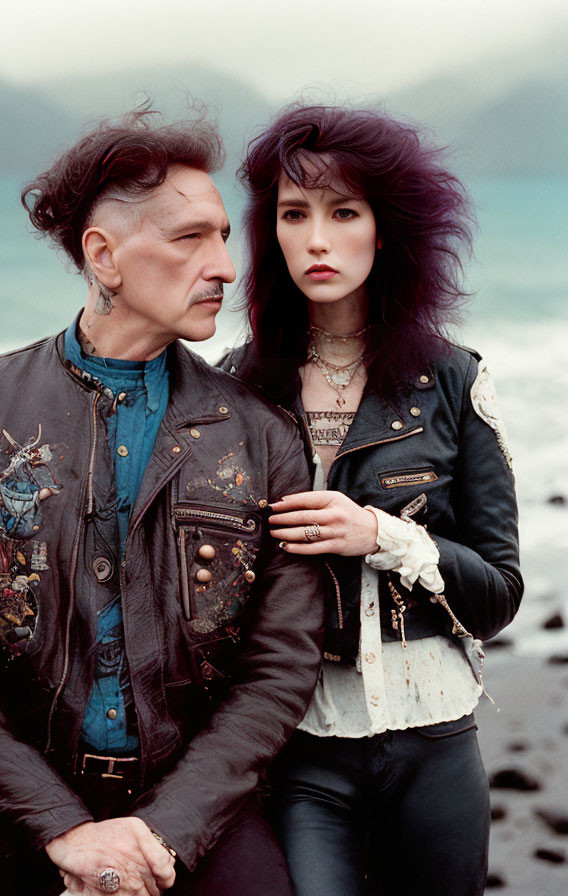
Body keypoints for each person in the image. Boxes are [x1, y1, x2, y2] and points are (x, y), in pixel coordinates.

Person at [0, 109, 324, 896]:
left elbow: (278, 668)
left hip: (191, 800)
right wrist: (65, 828)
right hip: (10, 789)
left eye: (223, 236)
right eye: (189, 239)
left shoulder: (262, 437)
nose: (224, 265)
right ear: (104, 257)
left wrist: (160, 832)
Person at [219, 104, 523, 896]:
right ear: (271, 232)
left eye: (344, 212)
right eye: (294, 214)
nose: (317, 238)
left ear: (383, 231)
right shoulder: (236, 387)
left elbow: (497, 596)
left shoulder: (454, 380)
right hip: (300, 746)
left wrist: (384, 534)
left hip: (437, 742)